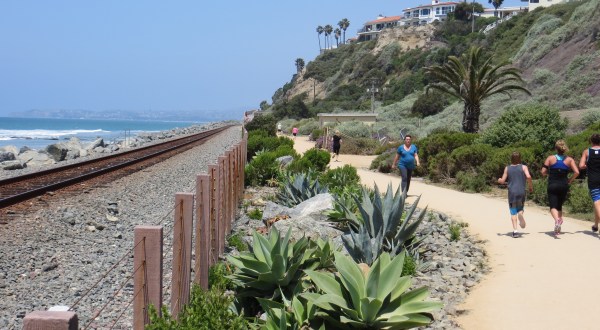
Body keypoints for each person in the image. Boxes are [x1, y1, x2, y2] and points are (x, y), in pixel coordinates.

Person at [541, 140, 579, 235]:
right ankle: (558, 228)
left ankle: (558, 220)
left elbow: (543, 172)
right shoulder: (569, 159)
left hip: (552, 185)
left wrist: (548, 174)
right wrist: (570, 180)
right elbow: (577, 172)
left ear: (555, 148)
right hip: (564, 185)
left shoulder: (550, 158)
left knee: (553, 207)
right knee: (559, 206)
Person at [497, 151, 534, 238]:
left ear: (511, 158)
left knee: (513, 212)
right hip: (521, 191)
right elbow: (528, 177)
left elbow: (502, 181)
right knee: (520, 208)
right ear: (520, 158)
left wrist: (499, 180)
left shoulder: (507, 168)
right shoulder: (524, 167)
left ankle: (515, 231)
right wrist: (530, 186)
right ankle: (520, 214)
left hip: (512, 192)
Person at [579, 133, 600, 233]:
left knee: (596, 201)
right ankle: (596, 225)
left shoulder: (587, 152)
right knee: (598, 203)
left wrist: (589, 166)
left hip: (593, 179)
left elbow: (581, 165)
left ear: (591, 141)